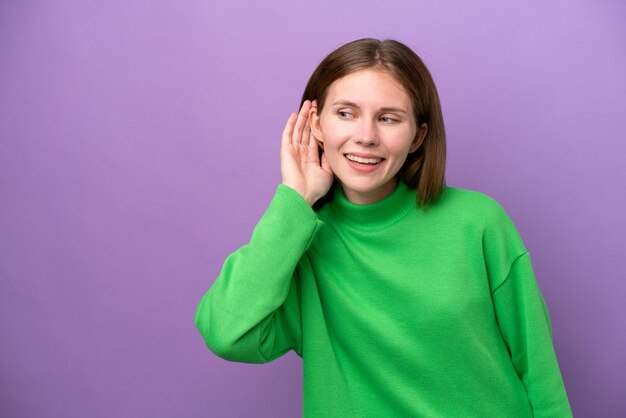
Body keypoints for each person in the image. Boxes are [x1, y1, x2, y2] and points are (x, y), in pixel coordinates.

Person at [194, 38, 573, 417]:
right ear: (316, 124)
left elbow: (538, 371)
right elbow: (228, 334)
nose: (366, 136)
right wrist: (294, 199)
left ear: (418, 137)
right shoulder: (300, 244)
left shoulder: (478, 223)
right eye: (346, 113)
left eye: (388, 118)